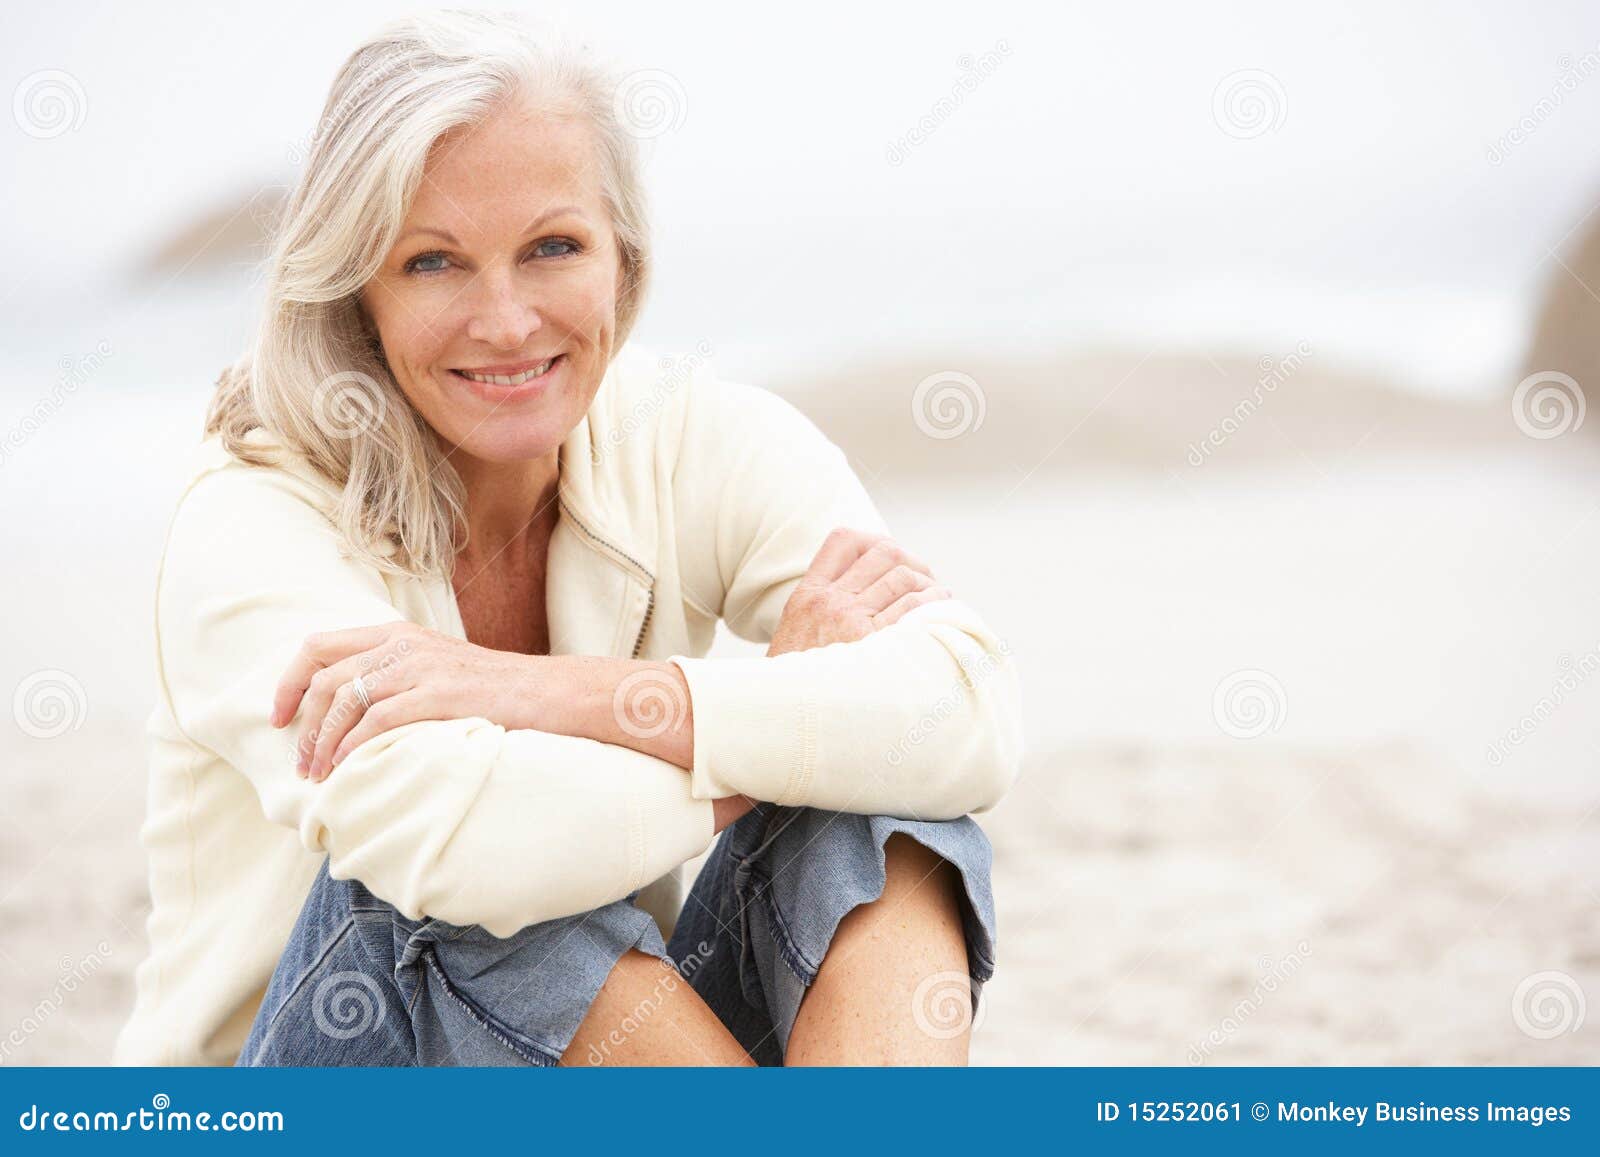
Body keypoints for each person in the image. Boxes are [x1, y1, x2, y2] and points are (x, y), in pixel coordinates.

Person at [114, 10, 1023, 1067]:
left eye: (552, 247)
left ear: (623, 265)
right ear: (357, 291)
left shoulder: (690, 434)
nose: (505, 321)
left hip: (582, 1063)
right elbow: (471, 849)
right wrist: (774, 740)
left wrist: (532, 692)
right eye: (433, 263)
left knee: (885, 816)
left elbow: (966, 711)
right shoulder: (253, 517)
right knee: (454, 893)